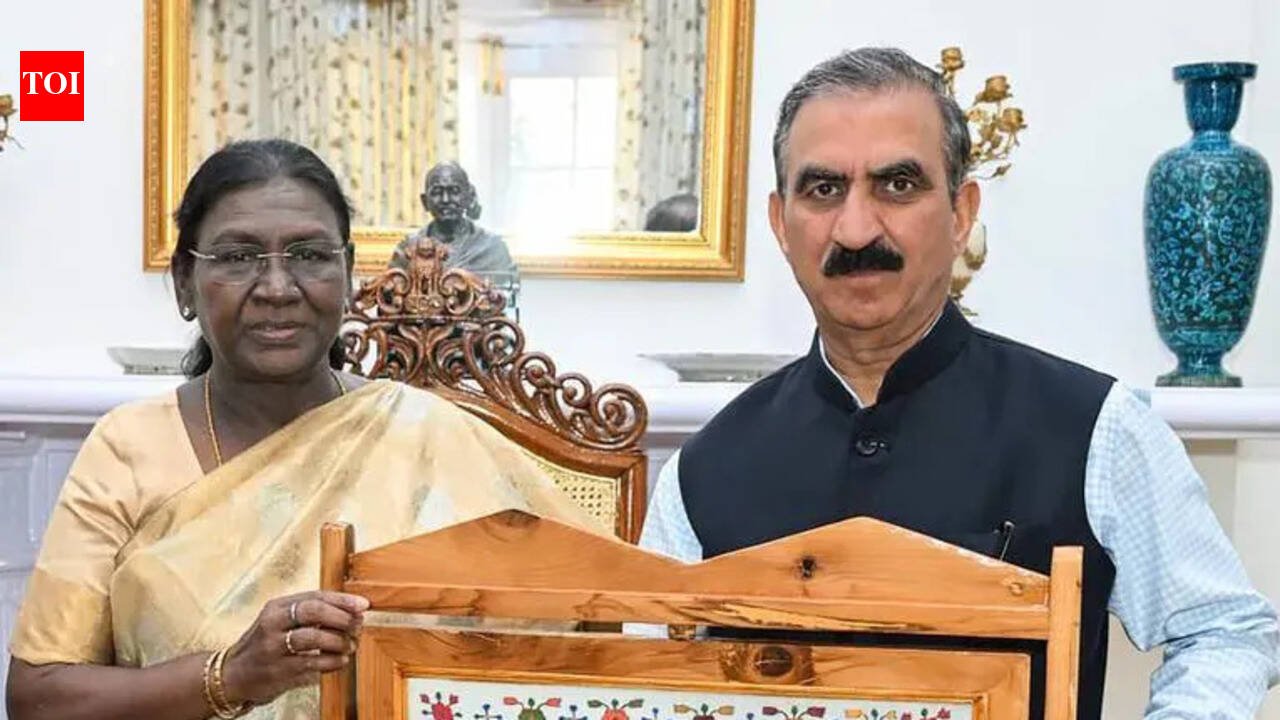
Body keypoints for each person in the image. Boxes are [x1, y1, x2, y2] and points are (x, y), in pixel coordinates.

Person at [638, 48, 1279, 719]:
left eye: (897, 185)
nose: (856, 229)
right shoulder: (703, 471)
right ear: (780, 222)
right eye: (823, 190)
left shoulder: (1094, 429)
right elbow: (643, 681)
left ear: (961, 213)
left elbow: (1225, 631)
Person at [6, 139, 599, 720]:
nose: (277, 288)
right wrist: (231, 676)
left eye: (309, 255)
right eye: (238, 257)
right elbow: (37, 697)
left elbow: (594, 617)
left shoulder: (430, 438)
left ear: (348, 273)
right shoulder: (128, 449)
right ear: (186, 281)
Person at [390, 161, 518, 279]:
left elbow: (507, 289)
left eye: (454, 191)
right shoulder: (408, 249)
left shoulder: (491, 248)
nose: (445, 199)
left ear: (469, 197)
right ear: (425, 201)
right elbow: (390, 290)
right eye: (437, 192)